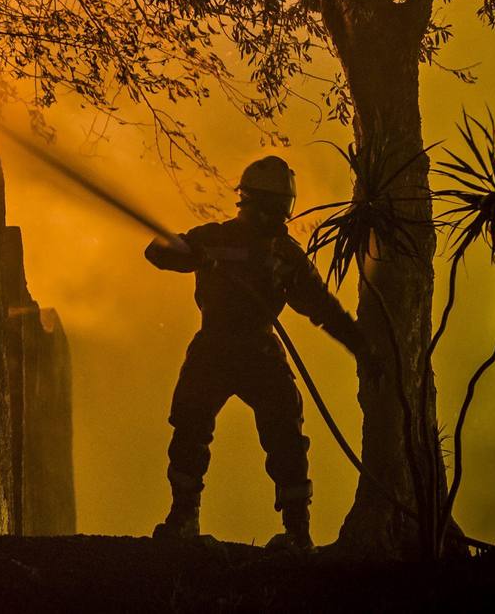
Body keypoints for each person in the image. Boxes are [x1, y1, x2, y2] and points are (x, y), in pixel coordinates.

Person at [145, 155, 380, 551]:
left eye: (281, 209)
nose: (276, 218)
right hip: (214, 346)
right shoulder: (214, 238)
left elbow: (322, 307)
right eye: (270, 207)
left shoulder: (286, 258)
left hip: (258, 350)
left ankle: (297, 532)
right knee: (189, 426)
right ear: (250, 202)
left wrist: (361, 347)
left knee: (286, 434)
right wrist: (191, 255)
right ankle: (183, 518)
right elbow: (156, 252)